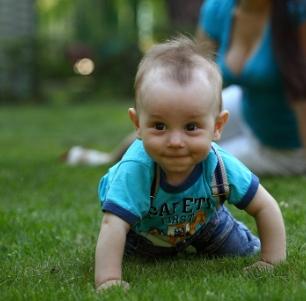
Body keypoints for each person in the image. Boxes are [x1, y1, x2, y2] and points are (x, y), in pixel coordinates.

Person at [63, 0, 306, 178]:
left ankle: (131, 165)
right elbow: (194, 79)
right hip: (249, 106)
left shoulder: (300, 9)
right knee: (171, 119)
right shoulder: (218, 9)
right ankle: (110, 158)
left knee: (185, 161)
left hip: (289, 142)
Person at [94, 36, 286, 290]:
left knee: (243, 251)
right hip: (141, 232)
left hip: (204, 222)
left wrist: (272, 261)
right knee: (133, 256)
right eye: (159, 126)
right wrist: (109, 279)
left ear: (217, 127)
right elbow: (113, 225)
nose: (175, 141)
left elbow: (265, 206)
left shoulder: (218, 165)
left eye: (191, 127)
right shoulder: (136, 169)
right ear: (138, 125)